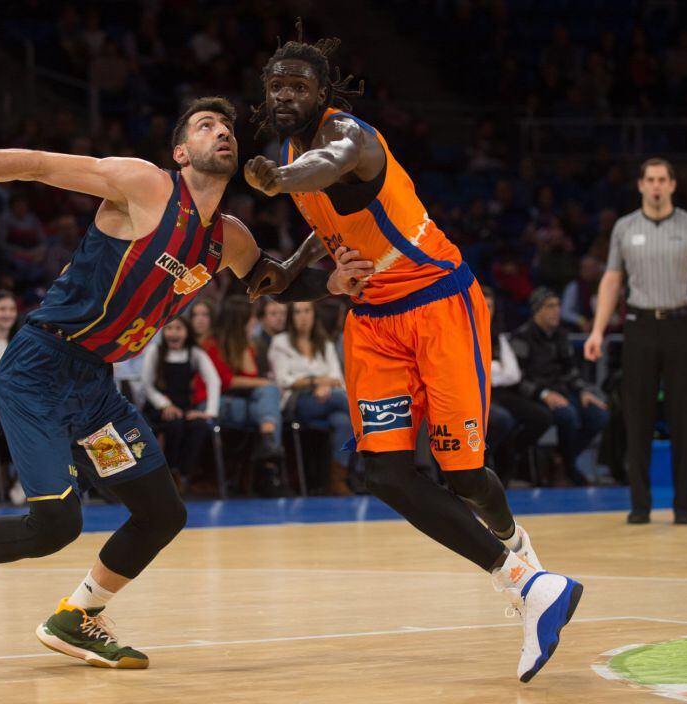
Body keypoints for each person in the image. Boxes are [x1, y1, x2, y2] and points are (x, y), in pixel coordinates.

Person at [242, 28, 581, 682]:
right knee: (386, 475)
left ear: (323, 93)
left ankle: (518, 550)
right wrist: (289, 266)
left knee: (463, 474)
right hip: (372, 319)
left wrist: (279, 178)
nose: (284, 95)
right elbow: (328, 223)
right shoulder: (288, 148)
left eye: (298, 86)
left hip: (436, 302)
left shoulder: (353, 139)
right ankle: (529, 583)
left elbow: (325, 171)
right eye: (275, 85)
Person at [0, 96, 273, 669]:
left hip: (95, 390)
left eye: (227, 126)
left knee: (162, 513)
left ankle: (77, 616)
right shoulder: (144, 185)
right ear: (181, 151)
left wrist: (343, 278)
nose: (221, 132)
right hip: (39, 370)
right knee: (56, 523)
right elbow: (36, 164)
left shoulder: (231, 239)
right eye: (206, 125)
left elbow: (277, 280)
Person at [585, 157, 687, 525]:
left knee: (684, 417)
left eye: (663, 179)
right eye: (650, 179)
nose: (657, 185)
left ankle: (683, 506)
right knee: (638, 416)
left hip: (682, 324)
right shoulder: (624, 227)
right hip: (640, 326)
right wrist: (598, 330)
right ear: (641, 185)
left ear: (673, 185)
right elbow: (612, 280)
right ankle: (640, 505)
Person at [510, 288, 609, 486]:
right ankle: (568, 466)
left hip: (564, 391)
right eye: (550, 307)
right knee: (568, 415)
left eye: (558, 306)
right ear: (537, 310)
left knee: (599, 415)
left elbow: (571, 370)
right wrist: (543, 394)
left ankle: (562, 460)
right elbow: (518, 378)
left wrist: (582, 391)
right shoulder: (521, 337)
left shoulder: (561, 336)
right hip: (536, 395)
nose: (556, 311)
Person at [268, 301, 353, 495]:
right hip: (296, 401)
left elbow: (337, 379)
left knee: (343, 422)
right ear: (291, 316)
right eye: (298, 312)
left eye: (307, 311)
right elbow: (284, 380)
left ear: (314, 315)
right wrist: (316, 382)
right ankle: (367, 426)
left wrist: (324, 386)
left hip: (329, 399)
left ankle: (337, 478)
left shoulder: (325, 343)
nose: (303, 316)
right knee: (346, 404)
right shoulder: (280, 342)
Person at [204, 295, 285, 493]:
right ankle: (269, 458)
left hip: (243, 402)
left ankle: (268, 450)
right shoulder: (213, 344)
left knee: (267, 397)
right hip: (213, 404)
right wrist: (264, 382)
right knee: (268, 397)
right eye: (251, 318)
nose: (254, 322)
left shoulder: (249, 345)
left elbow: (251, 377)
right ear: (239, 320)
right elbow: (227, 381)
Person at [483, 287, 551, 486]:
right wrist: (497, 368)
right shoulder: (461, 332)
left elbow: (513, 374)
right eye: (484, 306)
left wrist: (493, 370)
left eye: (491, 306)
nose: (488, 310)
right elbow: (471, 372)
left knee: (540, 417)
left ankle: (511, 457)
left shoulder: (498, 335)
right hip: (475, 394)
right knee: (502, 419)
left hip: (502, 392)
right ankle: (483, 463)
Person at [140, 316, 219, 485]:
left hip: (184, 407)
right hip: (157, 407)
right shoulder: (155, 351)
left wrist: (209, 412)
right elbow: (147, 385)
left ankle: (184, 472)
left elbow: (213, 380)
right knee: (173, 425)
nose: (173, 333)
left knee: (199, 427)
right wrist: (165, 404)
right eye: (169, 328)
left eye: (178, 328)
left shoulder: (195, 353)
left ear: (186, 332)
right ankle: (168, 470)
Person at [251, 298, 287, 376]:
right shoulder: (256, 344)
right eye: (273, 314)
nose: (279, 318)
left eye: (283, 313)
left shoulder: (290, 339)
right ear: (262, 319)